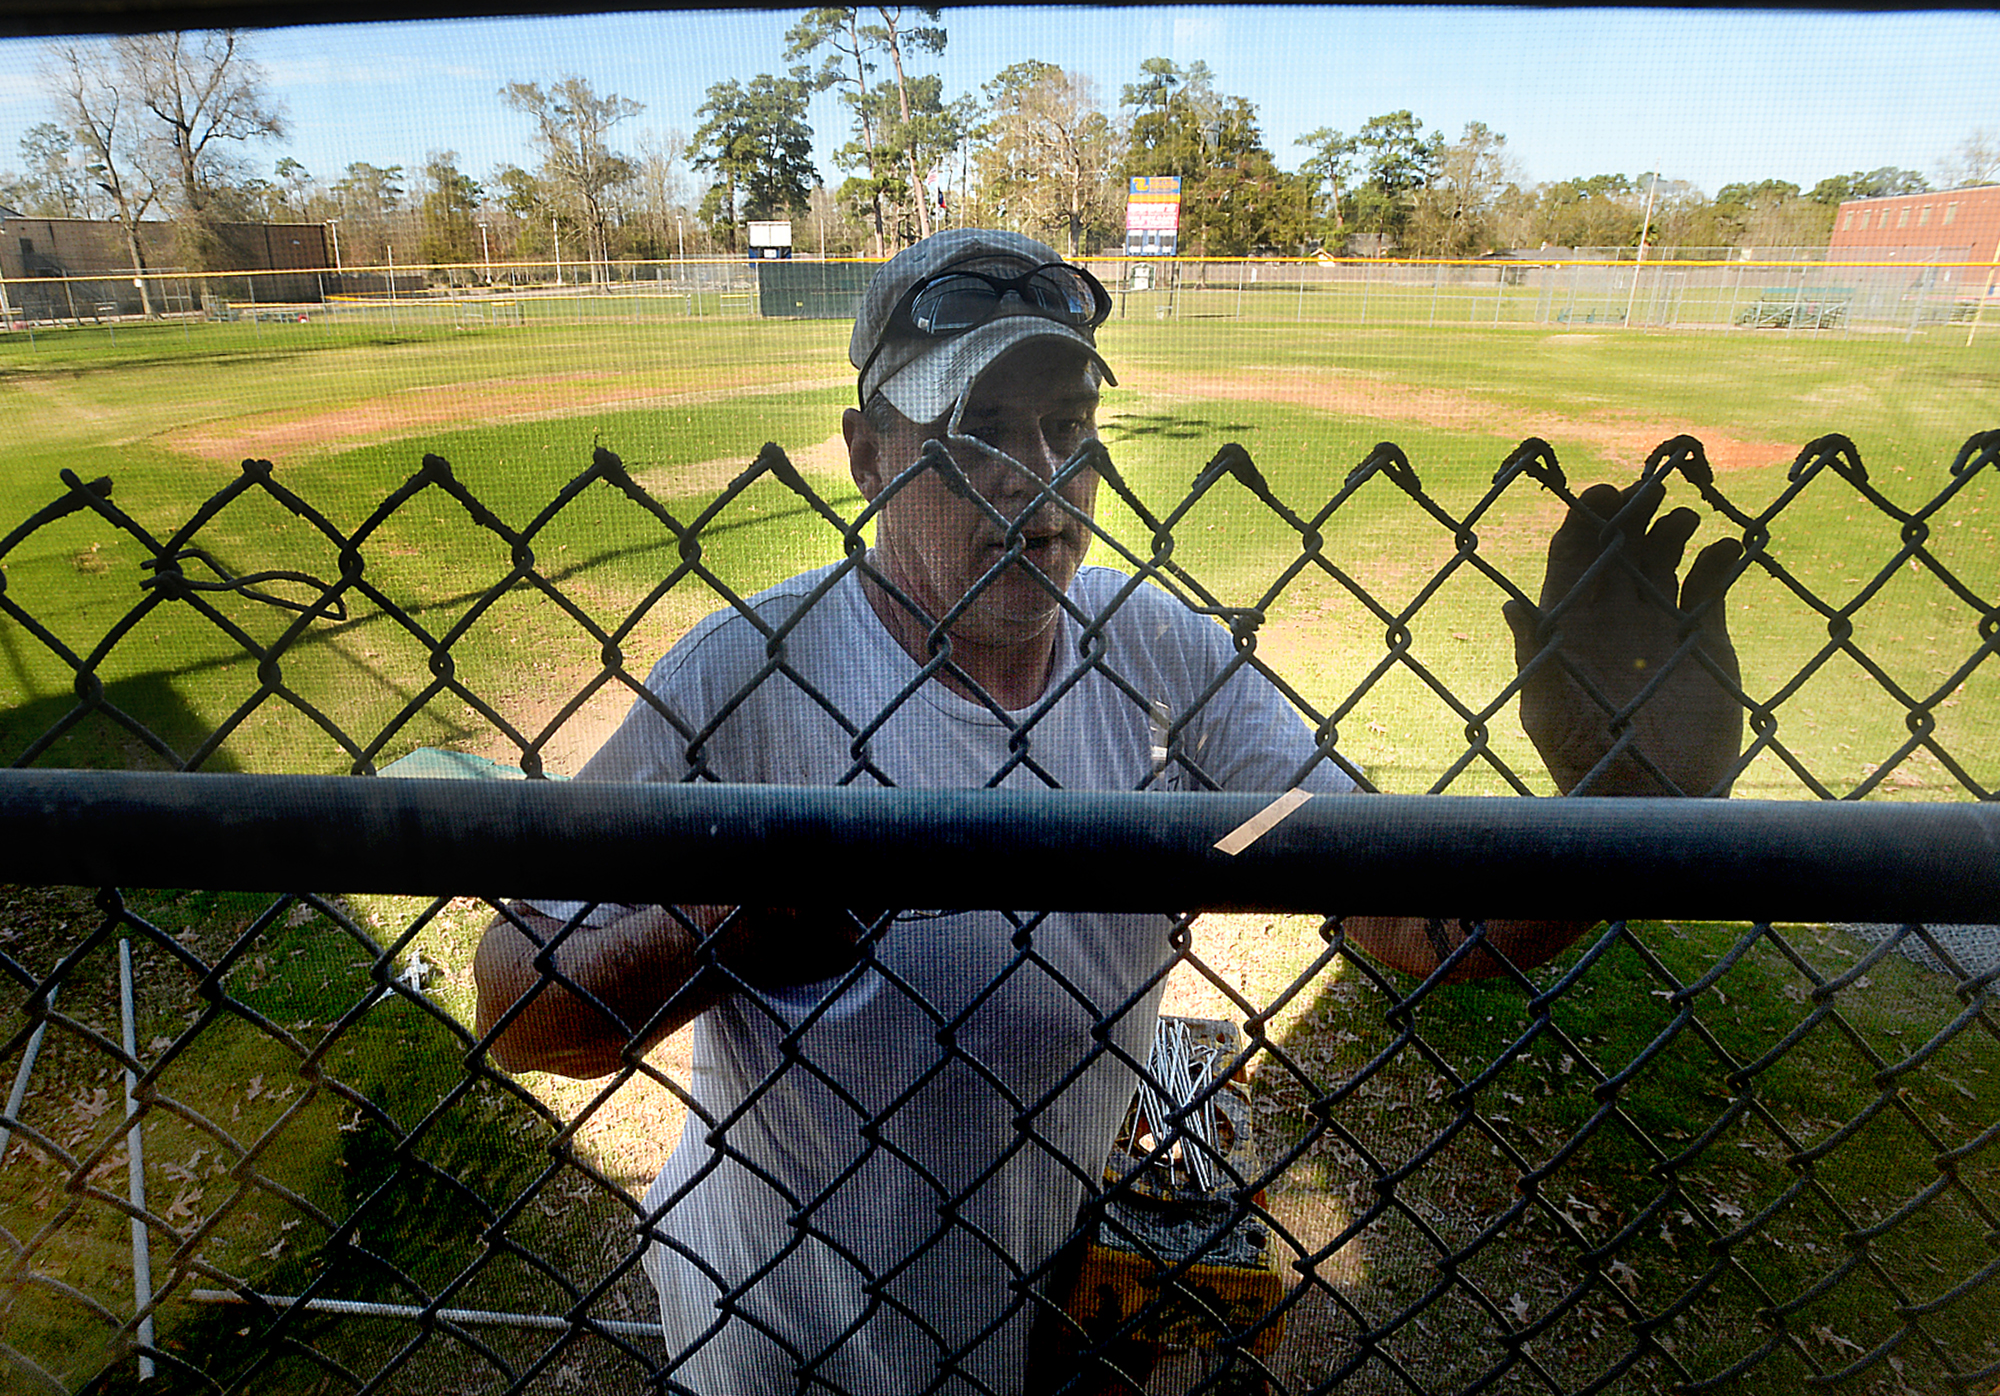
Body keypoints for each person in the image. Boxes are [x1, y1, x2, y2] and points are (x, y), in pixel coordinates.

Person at [472, 229, 1743, 1395]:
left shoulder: (1163, 668)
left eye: (1067, 428)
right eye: (978, 430)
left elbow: (1418, 922)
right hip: (776, 1333)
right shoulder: (741, 673)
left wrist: (1624, 806)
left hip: (1039, 1321)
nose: (1038, 480)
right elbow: (512, 999)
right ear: (867, 455)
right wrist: (724, 928)